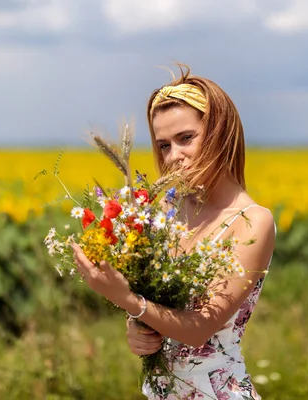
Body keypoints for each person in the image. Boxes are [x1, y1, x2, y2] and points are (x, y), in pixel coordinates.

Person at [71, 65, 276, 399]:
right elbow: (154, 305)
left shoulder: (251, 221)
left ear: (220, 132)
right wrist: (138, 328)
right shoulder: (166, 212)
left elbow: (201, 328)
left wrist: (127, 299)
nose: (174, 156)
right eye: (164, 145)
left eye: (186, 138)